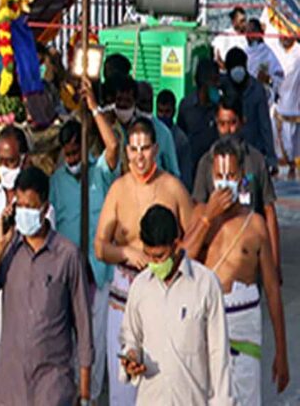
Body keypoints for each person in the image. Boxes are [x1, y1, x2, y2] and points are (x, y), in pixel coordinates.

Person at [0, 166, 92, 405]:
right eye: (20, 206)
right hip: (11, 386)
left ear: (45, 208)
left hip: (52, 387)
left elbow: (83, 326)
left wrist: (85, 393)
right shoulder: (6, 251)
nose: (24, 212)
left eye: (31, 207)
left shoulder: (67, 255)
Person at [94, 116, 193, 406]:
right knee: (123, 388)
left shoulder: (172, 188)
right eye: (134, 150)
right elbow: (100, 246)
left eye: (145, 149)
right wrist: (127, 253)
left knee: (164, 381)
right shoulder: (118, 189)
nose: (140, 157)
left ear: (156, 149)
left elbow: (193, 239)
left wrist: (167, 262)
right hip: (123, 294)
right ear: (127, 152)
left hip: (165, 292)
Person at [184, 138, 289, 402]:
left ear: (241, 176)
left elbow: (272, 291)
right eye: (219, 175)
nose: (224, 181)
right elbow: (181, 260)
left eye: (230, 175)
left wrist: (282, 352)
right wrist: (209, 216)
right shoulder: (198, 214)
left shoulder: (254, 225)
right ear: (211, 175)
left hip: (244, 326)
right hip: (208, 325)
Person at [0, 125, 51, 396]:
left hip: (31, 329)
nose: (5, 168)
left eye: (11, 162)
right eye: (1, 162)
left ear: (24, 159)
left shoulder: (40, 207)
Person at [118, 204, 232, 405]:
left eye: (160, 256)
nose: (154, 262)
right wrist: (131, 358)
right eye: (149, 255)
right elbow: (130, 338)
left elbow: (218, 354)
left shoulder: (205, 284)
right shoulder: (140, 286)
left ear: (177, 244)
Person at [50, 83, 119, 403]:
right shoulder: (56, 181)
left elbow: (114, 146)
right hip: (67, 275)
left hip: (99, 272)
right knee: (68, 340)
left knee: (97, 339)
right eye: (67, 154)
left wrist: (93, 107)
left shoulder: (99, 172)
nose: (72, 158)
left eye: (76, 152)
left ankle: (89, 397)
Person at [192, 93, 280, 272]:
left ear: (242, 122)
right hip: (218, 248)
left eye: (232, 123)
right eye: (222, 124)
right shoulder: (207, 162)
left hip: (250, 248)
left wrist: (275, 262)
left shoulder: (255, 160)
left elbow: (269, 211)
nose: (227, 130)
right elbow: (197, 209)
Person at [105, 74, 180, 179]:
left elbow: (174, 173)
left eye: (128, 101)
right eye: (119, 100)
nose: (123, 105)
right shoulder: (107, 128)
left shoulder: (161, 132)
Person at [223, 47, 277, 169]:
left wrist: (271, 157)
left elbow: (265, 125)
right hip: (227, 152)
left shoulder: (257, 90)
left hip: (252, 153)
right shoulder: (223, 86)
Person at [177, 58, 221, 171]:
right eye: (214, 81)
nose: (218, 84)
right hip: (191, 167)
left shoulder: (220, 107)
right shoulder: (186, 106)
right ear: (204, 83)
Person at [271, 25, 300, 179]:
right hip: (281, 105)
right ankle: (287, 166)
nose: (283, 38)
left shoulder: (298, 54)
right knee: (282, 139)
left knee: (294, 141)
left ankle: (292, 166)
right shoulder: (276, 52)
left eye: (286, 35)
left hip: (295, 105)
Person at [155, 89, 194, 190]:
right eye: (160, 111)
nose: (163, 115)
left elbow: (185, 177)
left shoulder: (181, 139)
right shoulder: (150, 132)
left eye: (167, 112)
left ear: (174, 112)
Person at [245, 18, 284, 106]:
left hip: (264, 98)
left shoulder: (267, 53)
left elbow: (280, 76)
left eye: (253, 30)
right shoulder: (244, 53)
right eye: (248, 31)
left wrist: (268, 79)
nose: (251, 34)